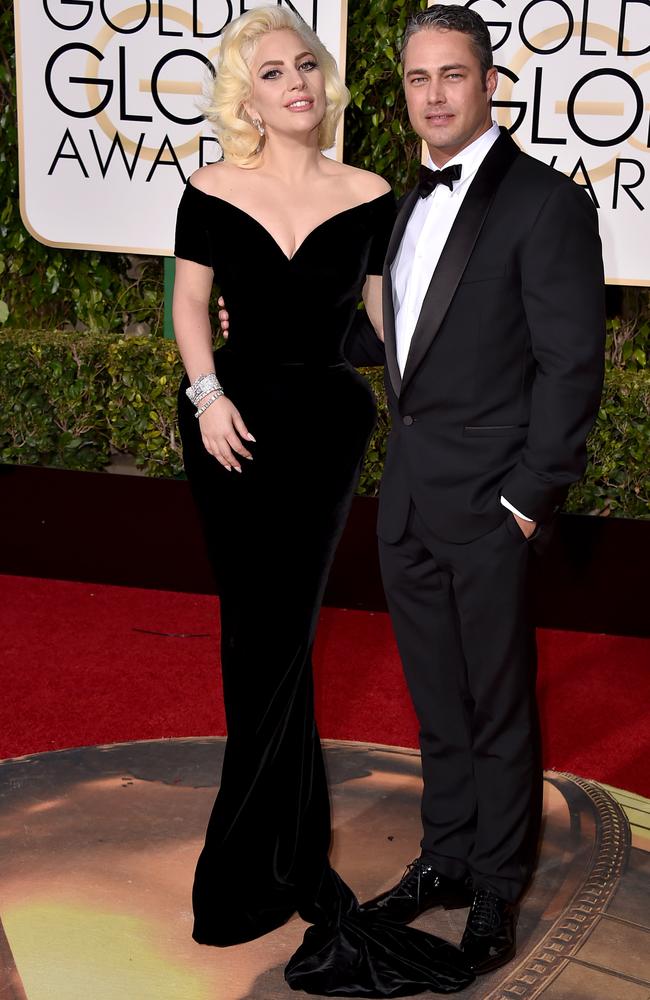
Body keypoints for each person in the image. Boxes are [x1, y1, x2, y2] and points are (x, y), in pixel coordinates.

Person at [172, 7, 474, 996]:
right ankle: (279, 851)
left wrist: (430, 378)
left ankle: (252, 869)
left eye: (306, 63)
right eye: (271, 70)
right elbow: (189, 307)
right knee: (249, 630)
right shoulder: (211, 187)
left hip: (323, 431)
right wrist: (206, 392)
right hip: (230, 423)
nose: (295, 80)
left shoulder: (372, 191)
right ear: (246, 94)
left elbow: (385, 314)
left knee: (283, 632)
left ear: (324, 79)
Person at [357, 5, 606, 977]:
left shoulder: (545, 204)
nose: (432, 96)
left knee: (497, 705)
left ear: (488, 81)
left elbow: (569, 366)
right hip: (409, 498)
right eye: (416, 80)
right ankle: (446, 856)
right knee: (434, 701)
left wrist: (524, 500)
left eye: (449, 76)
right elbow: (399, 343)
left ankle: (495, 887)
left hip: (490, 507)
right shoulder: (401, 203)